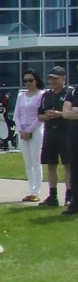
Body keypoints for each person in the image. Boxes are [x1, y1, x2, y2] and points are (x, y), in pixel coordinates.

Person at [38, 67, 70, 208]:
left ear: (63, 78)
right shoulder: (46, 95)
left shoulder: (70, 93)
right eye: (50, 78)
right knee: (51, 164)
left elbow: (72, 113)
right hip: (50, 132)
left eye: (55, 78)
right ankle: (52, 195)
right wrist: (44, 116)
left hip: (66, 132)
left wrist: (60, 114)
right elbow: (39, 114)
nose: (52, 81)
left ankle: (70, 195)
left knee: (68, 165)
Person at [14, 69, 45, 203]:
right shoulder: (21, 96)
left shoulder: (42, 95)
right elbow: (16, 114)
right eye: (25, 81)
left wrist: (30, 130)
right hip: (23, 131)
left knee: (36, 161)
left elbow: (40, 116)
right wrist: (21, 130)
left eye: (30, 80)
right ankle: (31, 190)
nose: (28, 83)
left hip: (36, 130)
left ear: (36, 80)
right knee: (28, 163)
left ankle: (36, 191)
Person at [62, 72, 78, 216]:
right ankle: (75, 203)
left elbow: (70, 111)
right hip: (74, 136)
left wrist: (76, 110)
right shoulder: (73, 91)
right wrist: (72, 111)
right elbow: (66, 113)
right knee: (75, 169)